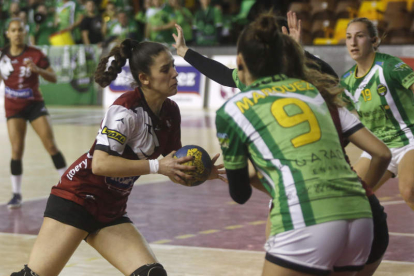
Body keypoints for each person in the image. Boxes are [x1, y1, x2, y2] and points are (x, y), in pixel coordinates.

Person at [172, 12, 390, 276]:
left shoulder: (236, 108)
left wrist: (211, 172)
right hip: (362, 214)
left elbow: (241, 194)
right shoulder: (317, 93)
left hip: (307, 214)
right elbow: (381, 153)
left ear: (241, 62)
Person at [10, 38, 226, 276]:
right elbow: (101, 164)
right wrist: (157, 166)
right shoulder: (125, 109)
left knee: (152, 274)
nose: (175, 73)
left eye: (173, 66)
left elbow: (171, 164)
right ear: (144, 78)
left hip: (111, 209)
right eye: (166, 69)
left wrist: (201, 172)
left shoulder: (170, 112)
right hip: (77, 198)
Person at [341, 17, 414, 211]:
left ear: (374, 41)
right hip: (379, 147)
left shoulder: (389, 66)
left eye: (359, 36)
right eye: (348, 37)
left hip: (408, 139)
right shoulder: (347, 81)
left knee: (409, 190)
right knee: (350, 197)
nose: (353, 42)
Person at [0, 18, 67, 209]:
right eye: (13, 30)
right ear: (8, 33)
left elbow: (54, 77)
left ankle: (68, 186)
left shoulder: (35, 54)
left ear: (25, 32)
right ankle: (16, 194)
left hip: (35, 106)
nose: (17, 33)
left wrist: (37, 70)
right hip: (13, 108)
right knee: (16, 150)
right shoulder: (2, 56)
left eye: (20, 30)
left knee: (51, 145)